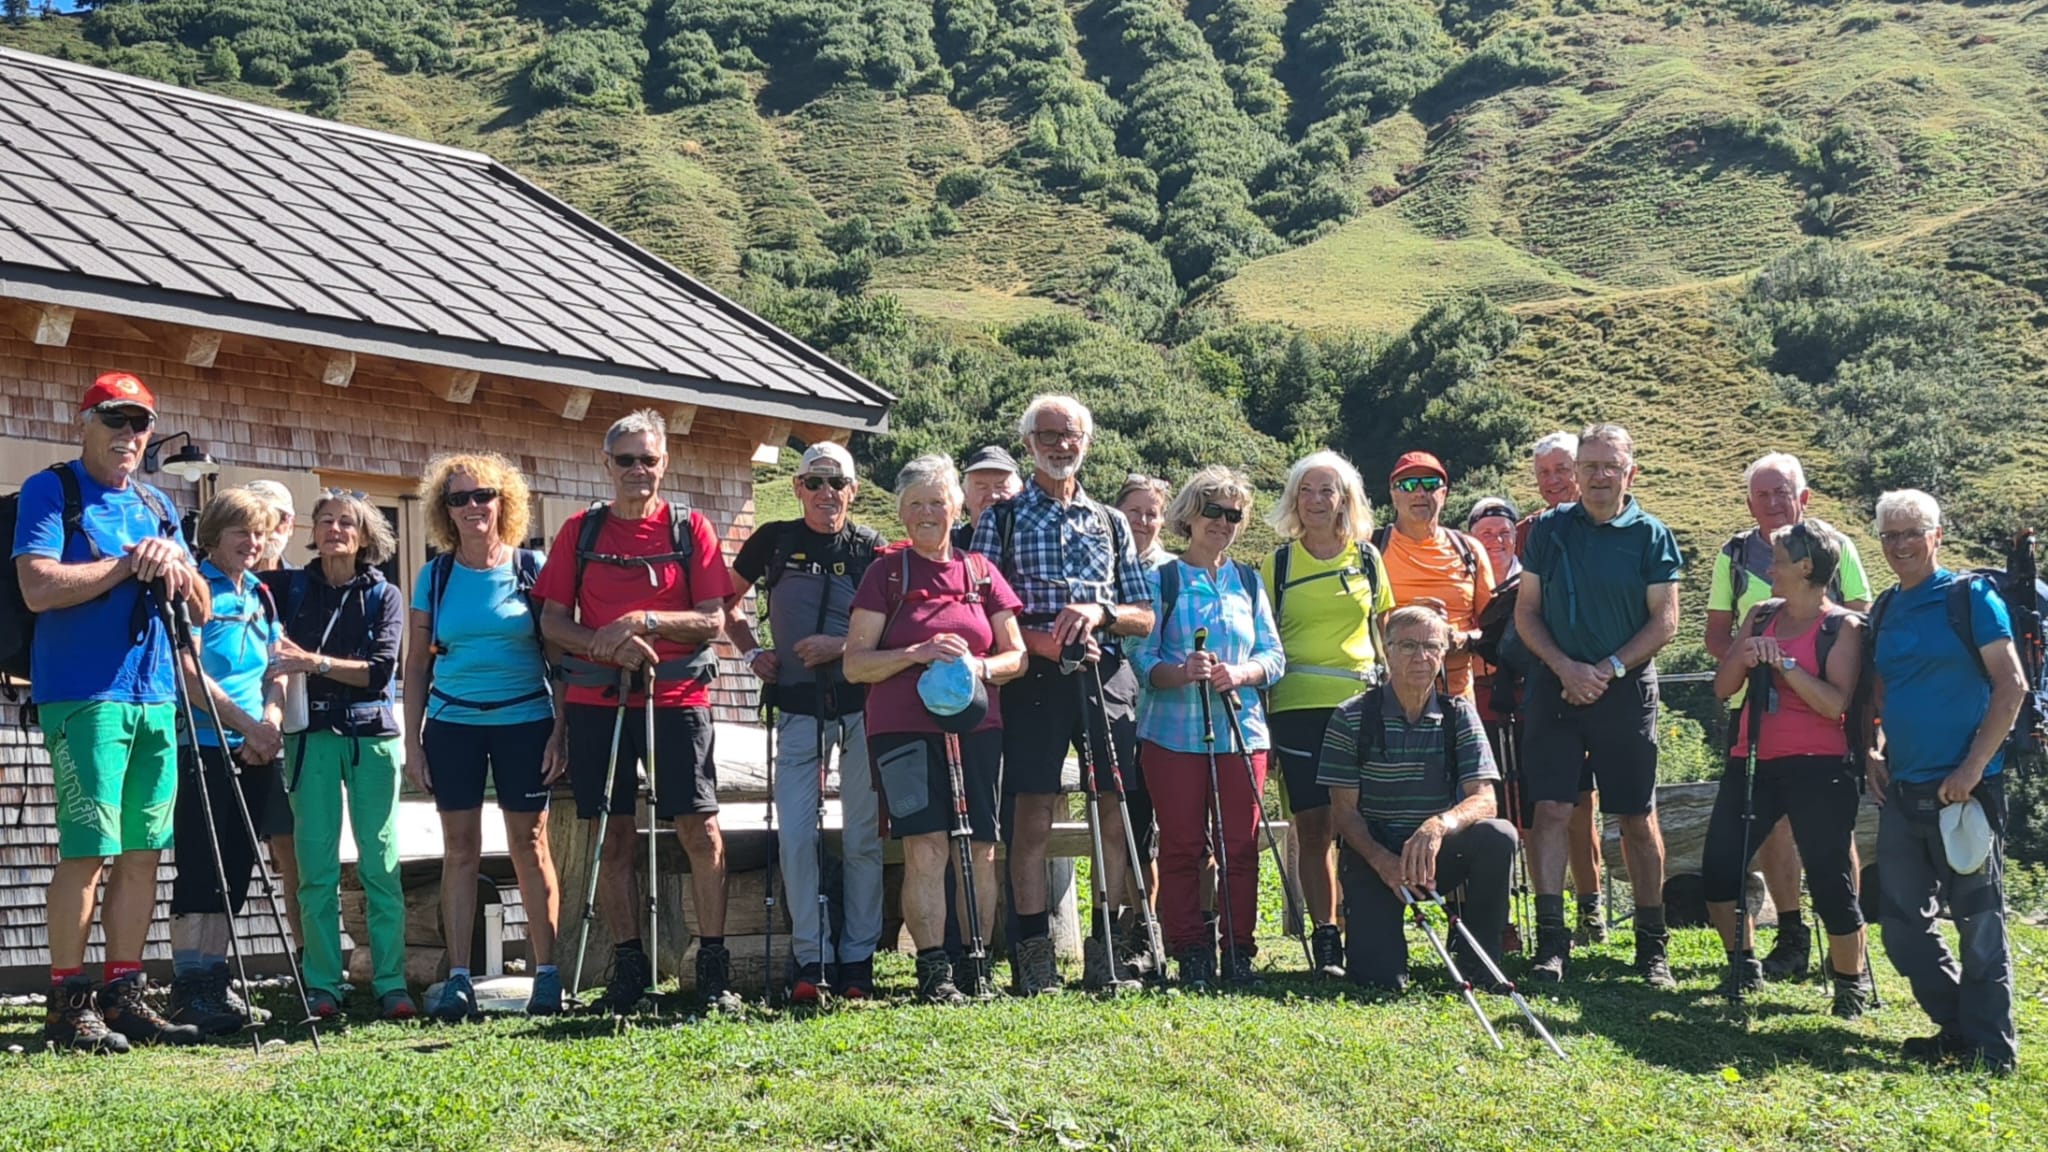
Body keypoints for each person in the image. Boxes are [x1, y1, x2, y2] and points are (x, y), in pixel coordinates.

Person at [13, 372, 206, 1052]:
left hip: (154, 695)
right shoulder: (53, 490)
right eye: (114, 419)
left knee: (143, 852)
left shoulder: (157, 502)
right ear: (85, 422)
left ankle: (126, 995)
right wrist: (128, 566)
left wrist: (176, 565)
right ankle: (68, 1004)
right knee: (89, 848)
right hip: (83, 695)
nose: (128, 434)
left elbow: (202, 607)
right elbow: (38, 586)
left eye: (140, 423)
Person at [536, 409, 735, 1013]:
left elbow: (713, 619)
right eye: (625, 460)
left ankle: (713, 968)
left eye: (648, 459)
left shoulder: (690, 528)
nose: (637, 470)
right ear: (607, 464)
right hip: (597, 702)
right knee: (611, 834)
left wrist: (642, 621)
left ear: (664, 463)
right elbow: (551, 623)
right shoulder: (580, 532)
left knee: (700, 829)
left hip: (677, 699)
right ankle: (628, 969)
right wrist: (606, 644)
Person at [969, 394, 1154, 995]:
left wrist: (1100, 612)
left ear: (1087, 443)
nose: (1060, 445)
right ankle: (1033, 957)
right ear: (1028, 445)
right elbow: (981, 612)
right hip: (1033, 677)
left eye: (1070, 434)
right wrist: (1044, 643)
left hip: (1105, 671)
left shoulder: (1112, 521)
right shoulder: (1000, 519)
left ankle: (1106, 953)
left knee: (1114, 808)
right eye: (1047, 435)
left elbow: (1143, 614)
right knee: (1032, 813)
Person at [844, 455, 1027, 1002]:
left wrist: (977, 667)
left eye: (938, 502)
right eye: (916, 504)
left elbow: (1016, 656)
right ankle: (934, 971)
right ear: (901, 514)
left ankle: (976, 966)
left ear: (957, 509)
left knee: (981, 847)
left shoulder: (981, 572)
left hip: (977, 725)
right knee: (925, 846)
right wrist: (916, 653)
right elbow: (855, 665)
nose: (928, 513)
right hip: (902, 729)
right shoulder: (885, 574)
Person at [1515, 424, 1682, 986]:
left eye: (1611, 466)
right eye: (1589, 466)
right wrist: (1566, 668)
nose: (1600, 476)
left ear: (1630, 472)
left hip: (1625, 691)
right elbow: (1527, 611)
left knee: (1635, 816)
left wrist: (1605, 670)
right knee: (1550, 812)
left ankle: (1652, 948)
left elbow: (1665, 622)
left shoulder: (1652, 535)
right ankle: (1551, 944)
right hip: (1555, 687)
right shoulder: (1548, 530)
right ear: (1577, 472)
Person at [402, 453, 565, 1021]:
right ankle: (458, 978)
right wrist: (412, 743)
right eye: (459, 498)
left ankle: (548, 975)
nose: (473, 506)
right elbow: (416, 664)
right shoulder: (435, 577)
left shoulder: (531, 568)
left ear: (504, 501)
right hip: (453, 725)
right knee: (460, 850)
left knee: (531, 845)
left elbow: (559, 660)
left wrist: (561, 731)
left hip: (526, 721)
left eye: (483, 495)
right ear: (444, 510)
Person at [1865, 489, 2024, 1074]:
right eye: (1890, 535)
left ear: (1937, 536)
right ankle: (1958, 1028)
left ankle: (1992, 1052)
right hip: (1904, 791)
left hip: (1967, 794)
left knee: (1979, 925)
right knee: (1901, 927)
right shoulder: (1885, 607)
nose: (1901, 545)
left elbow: (2011, 685)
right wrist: (1874, 748)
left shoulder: (1969, 598)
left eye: (1913, 532)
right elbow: (1882, 691)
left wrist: (1972, 768)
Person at [724, 442, 887, 1002]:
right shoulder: (773, 540)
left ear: (853, 491)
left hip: (861, 705)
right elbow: (724, 601)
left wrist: (839, 646)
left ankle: (858, 961)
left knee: (863, 836)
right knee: (796, 837)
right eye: (814, 482)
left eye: (837, 483)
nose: (825, 493)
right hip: (795, 706)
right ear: (797, 488)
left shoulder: (872, 548)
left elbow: (897, 624)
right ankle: (810, 958)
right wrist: (751, 654)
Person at [1705, 452, 1873, 980]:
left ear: (1804, 568)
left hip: (1822, 760)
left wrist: (1786, 665)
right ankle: (1750, 961)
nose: (1767, 569)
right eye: (1763, 493)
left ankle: (1849, 978)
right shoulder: (1758, 610)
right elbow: (1722, 683)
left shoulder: (1842, 622)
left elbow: (1836, 701)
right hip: (1754, 747)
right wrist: (1747, 655)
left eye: (1777, 562)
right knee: (1722, 867)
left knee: (1829, 873)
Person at [1128, 466, 1284, 989]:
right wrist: (1180, 672)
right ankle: (1190, 950)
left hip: (1242, 733)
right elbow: (1140, 658)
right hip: (1172, 735)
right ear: (1189, 517)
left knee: (1240, 846)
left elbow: (1274, 656)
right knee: (1180, 846)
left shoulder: (1249, 582)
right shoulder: (1162, 580)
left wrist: (1241, 673)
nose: (1222, 522)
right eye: (1211, 511)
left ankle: (1239, 951)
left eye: (1233, 514)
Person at [1318, 606, 1516, 990]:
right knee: (1380, 981)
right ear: (1387, 651)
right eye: (1408, 646)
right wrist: (1383, 861)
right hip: (1375, 854)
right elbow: (1343, 813)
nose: (1421, 657)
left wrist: (1439, 825)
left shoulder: (1460, 714)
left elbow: (1485, 798)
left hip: (1437, 851)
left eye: (1431, 646)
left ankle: (1480, 964)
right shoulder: (1350, 717)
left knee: (1498, 835)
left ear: (1443, 655)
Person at [269, 490, 410, 1020]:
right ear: (310, 531)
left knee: (380, 863)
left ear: (364, 535)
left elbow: (380, 672)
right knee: (315, 868)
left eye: (346, 522)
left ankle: (391, 981)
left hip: (371, 737)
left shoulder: (385, 595)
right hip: (310, 738)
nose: (335, 529)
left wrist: (313, 662)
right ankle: (324, 984)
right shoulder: (289, 588)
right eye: (325, 520)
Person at [1259, 450, 1394, 980]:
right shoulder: (1278, 565)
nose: (1316, 501)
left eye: (1327, 490)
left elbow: (1383, 634)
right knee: (1313, 828)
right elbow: (1265, 642)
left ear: (1345, 499)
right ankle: (1326, 935)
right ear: (1294, 499)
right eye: (1306, 491)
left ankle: (1369, 929)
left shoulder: (1368, 559)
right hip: (1296, 709)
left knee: (1361, 824)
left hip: (1361, 708)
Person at [166, 488, 288, 1037]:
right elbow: (189, 673)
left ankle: (214, 979)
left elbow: (278, 666)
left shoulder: (261, 592)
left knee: (235, 867)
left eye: (259, 533)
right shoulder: (196, 588)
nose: (252, 542)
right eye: (241, 531)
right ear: (213, 537)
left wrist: (270, 724)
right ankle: (189, 985)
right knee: (201, 865)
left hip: (256, 745)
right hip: (204, 744)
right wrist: (248, 726)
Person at [1515, 430, 1607, 945]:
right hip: (1545, 685)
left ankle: (1591, 909)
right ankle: (1556, 920)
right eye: (1543, 473)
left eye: (1561, 470)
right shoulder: (1531, 532)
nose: (1552, 481)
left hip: (1607, 684)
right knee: (1551, 806)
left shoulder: (1616, 525)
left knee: (1586, 806)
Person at [242, 479, 305, 959]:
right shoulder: (220, 581)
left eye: (275, 517)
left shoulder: (302, 584)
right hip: (225, 728)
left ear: (289, 523)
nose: (265, 528)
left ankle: (307, 956)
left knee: (292, 851)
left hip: (291, 728)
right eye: (254, 517)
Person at [1375, 451, 1495, 702]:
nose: (1420, 492)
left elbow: (1495, 631)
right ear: (1393, 495)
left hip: (1458, 698)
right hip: (1390, 697)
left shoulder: (1469, 550)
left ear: (1444, 493)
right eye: (1408, 485)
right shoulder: (1372, 549)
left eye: (1430, 484)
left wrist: (1461, 640)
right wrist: (1410, 623)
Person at [954, 446, 1024, 551]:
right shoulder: (950, 547)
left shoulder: (1031, 542)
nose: (992, 496)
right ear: (965, 496)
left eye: (1000, 486)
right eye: (982, 487)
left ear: (1021, 490)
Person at [1115, 473, 1174, 571]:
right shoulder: (1095, 561)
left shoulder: (1176, 571)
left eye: (1151, 514)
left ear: (1162, 521)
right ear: (1115, 512)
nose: (1143, 520)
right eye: (1135, 511)